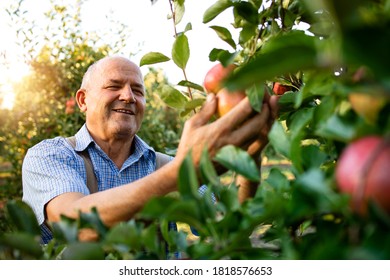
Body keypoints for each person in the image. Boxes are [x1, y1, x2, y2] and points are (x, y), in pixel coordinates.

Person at [22, 55, 278, 246]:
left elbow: (229, 228)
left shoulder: (163, 166)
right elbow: (76, 226)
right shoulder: (50, 156)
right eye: (114, 86)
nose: (129, 97)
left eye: (138, 90)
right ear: (82, 100)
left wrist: (251, 154)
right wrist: (181, 173)